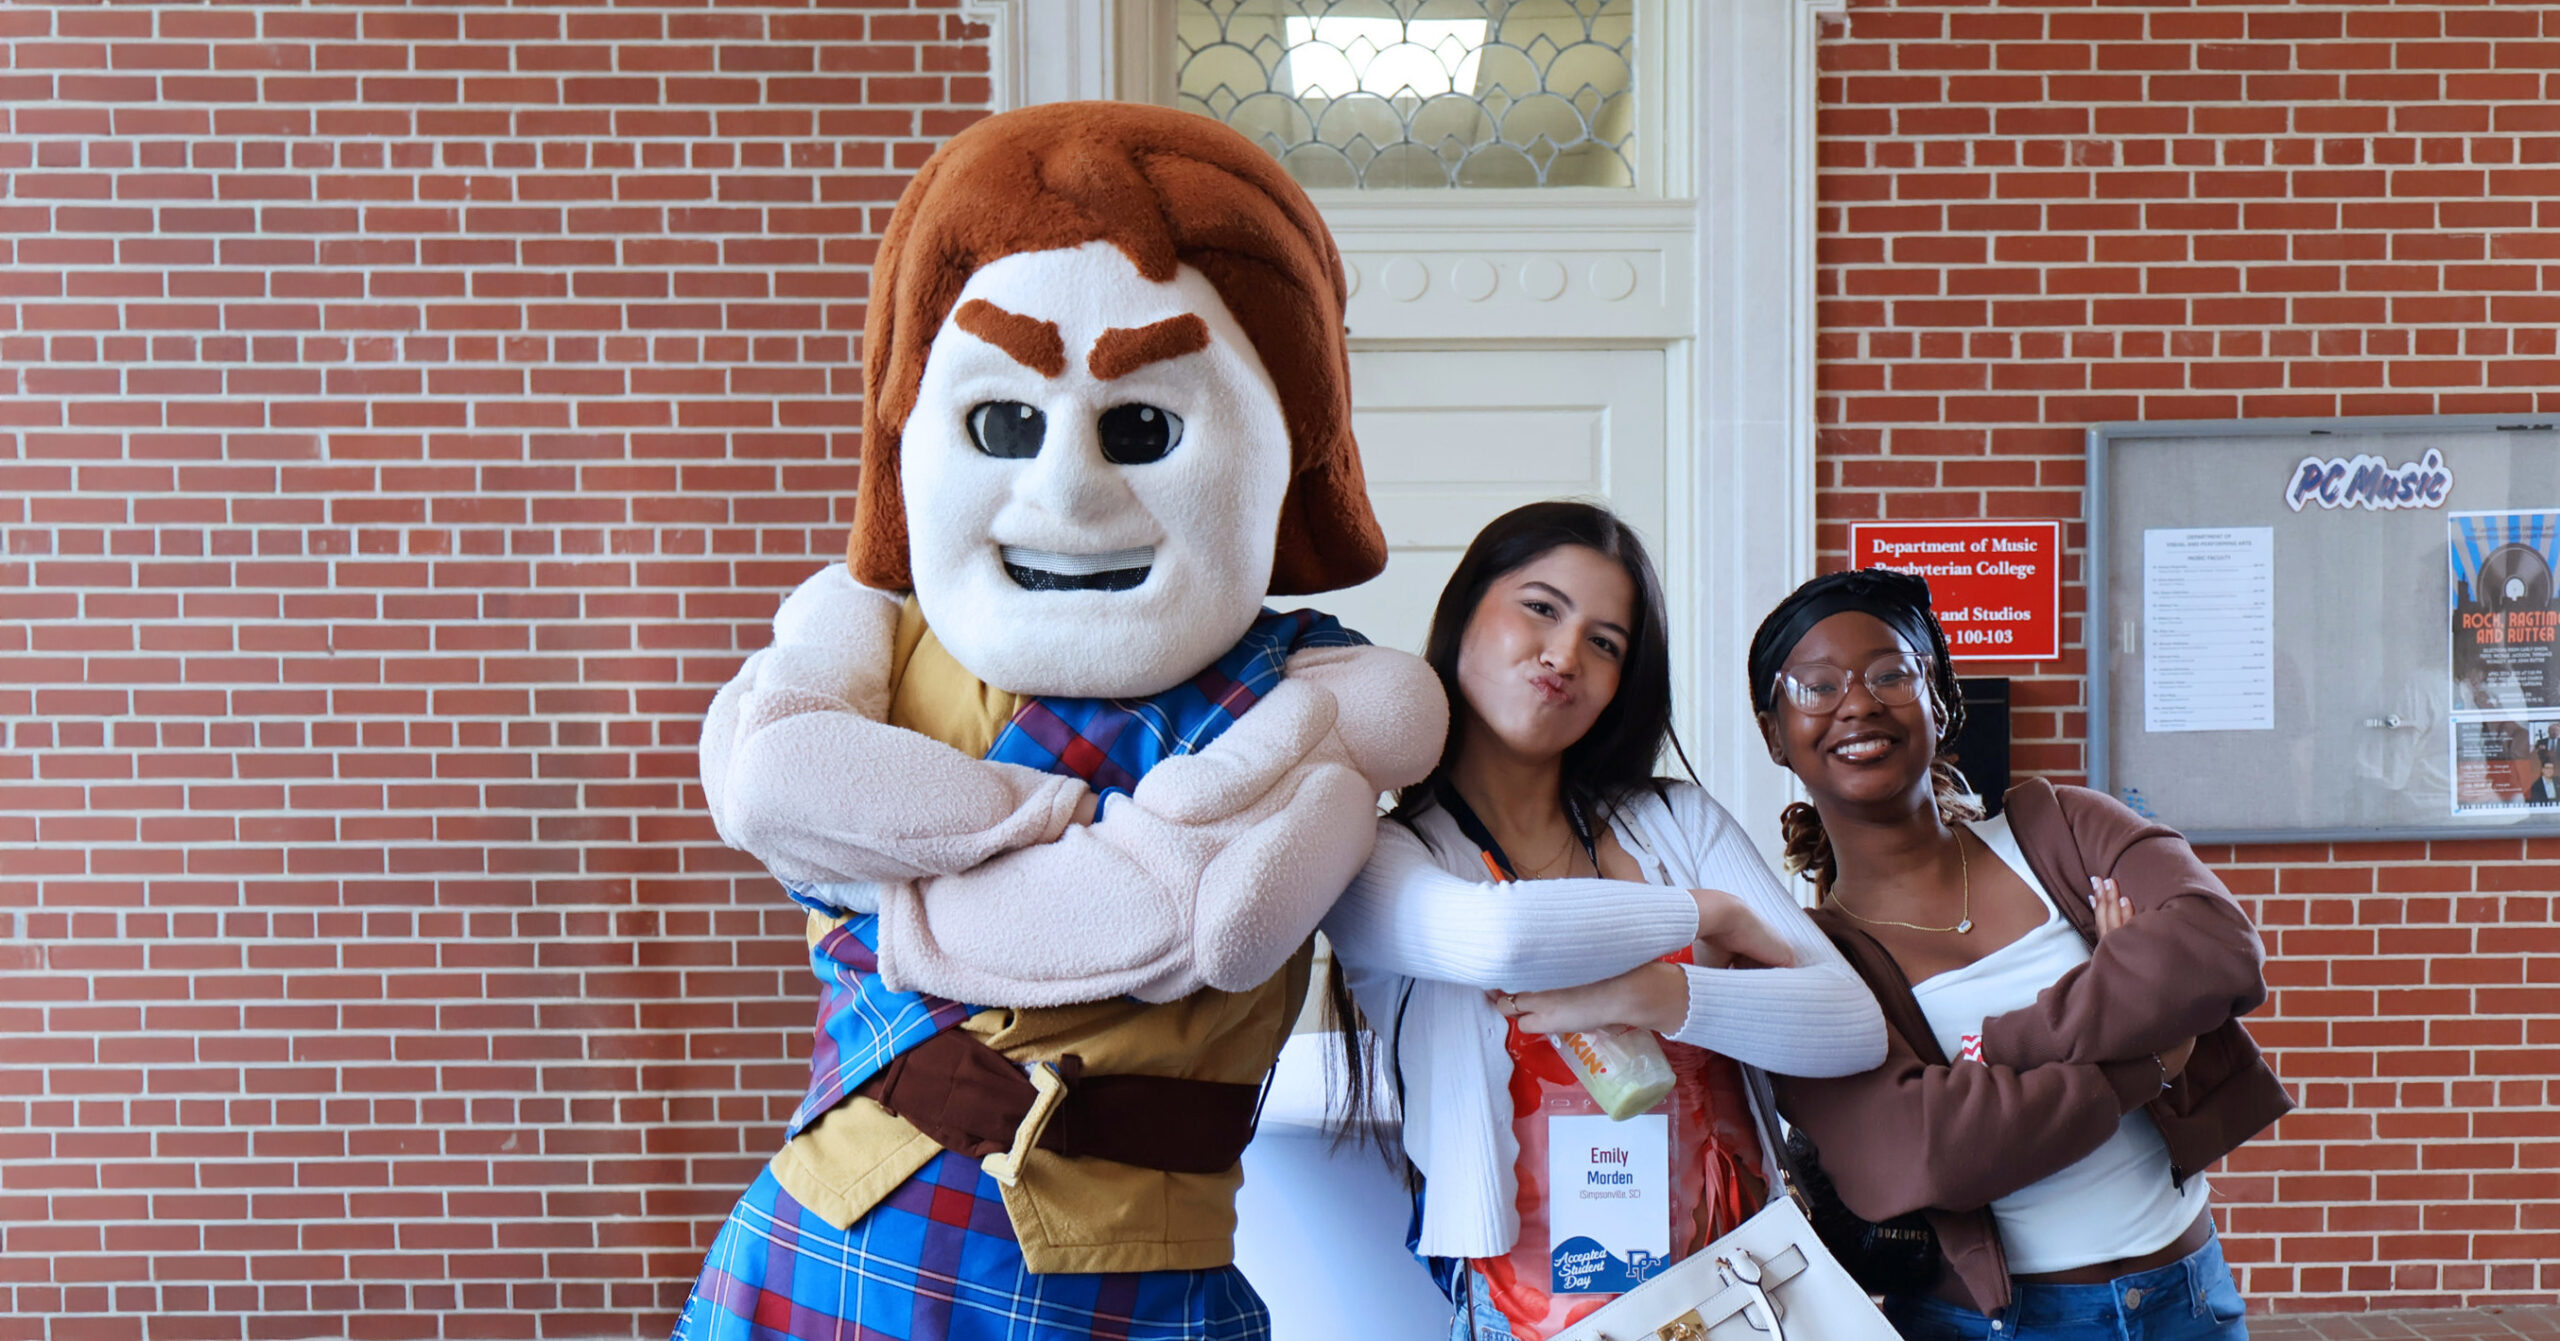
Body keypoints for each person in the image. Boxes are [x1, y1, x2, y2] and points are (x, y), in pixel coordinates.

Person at [1321, 501, 1889, 1341]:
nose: (1564, 655)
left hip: (1742, 1296)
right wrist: (1704, 911)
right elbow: (1499, 938)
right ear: (1465, 610)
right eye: (1541, 608)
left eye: (1606, 642)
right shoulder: (1380, 856)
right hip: (1533, 1319)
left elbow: (1852, 1027)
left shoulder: (1677, 823)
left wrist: (1656, 994)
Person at [1750, 568, 2291, 1341]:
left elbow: (2217, 947)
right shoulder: (1805, 960)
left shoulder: (2059, 828)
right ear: (1775, 733)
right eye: (1817, 686)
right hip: (1993, 1325)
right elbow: (1932, 1152)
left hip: (2190, 1297)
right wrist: (2144, 1051)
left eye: (1891, 673)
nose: (1859, 703)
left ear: (1939, 699)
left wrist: (2000, 1049)